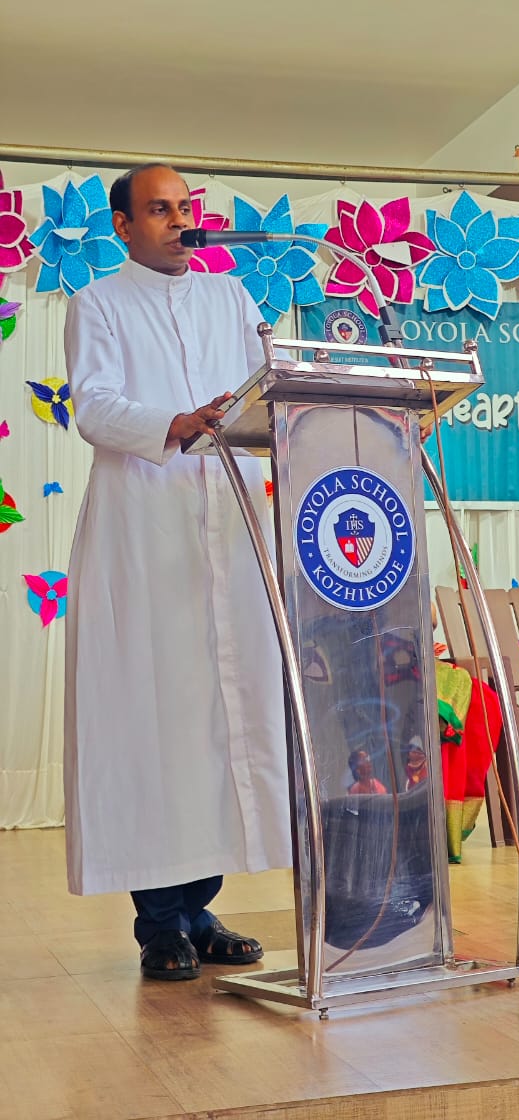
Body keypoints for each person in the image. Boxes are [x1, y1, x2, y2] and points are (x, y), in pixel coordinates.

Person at [63, 164, 292, 980]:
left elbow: (268, 386)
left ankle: (198, 909)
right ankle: (160, 923)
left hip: (228, 521)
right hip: (144, 529)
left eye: (185, 207)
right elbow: (93, 405)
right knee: (153, 720)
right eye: (158, 209)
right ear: (123, 226)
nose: (177, 220)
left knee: (223, 719)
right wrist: (174, 422)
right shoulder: (98, 303)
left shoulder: (229, 298)